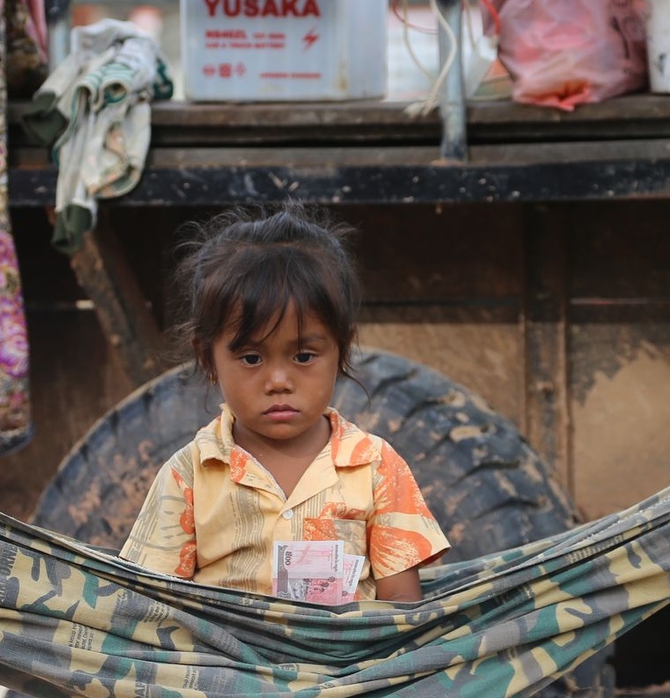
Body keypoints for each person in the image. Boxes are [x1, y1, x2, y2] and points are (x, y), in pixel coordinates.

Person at [120, 203, 450, 604]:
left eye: (304, 356)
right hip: (224, 664)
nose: (278, 381)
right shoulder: (189, 475)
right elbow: (152, 601)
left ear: (341, 349)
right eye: (252, 358)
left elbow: (400, 606)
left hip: (348, 666)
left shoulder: (375, 467)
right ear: (207, 358)